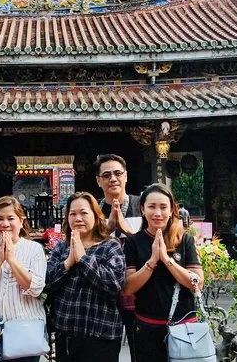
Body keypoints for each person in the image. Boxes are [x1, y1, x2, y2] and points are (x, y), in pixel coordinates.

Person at [122, 183, 204, 362]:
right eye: (151, 207)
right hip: (147, 326)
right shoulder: (133, 243)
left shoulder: (184, 240)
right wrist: (152, 261)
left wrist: (167, 260)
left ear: (171, 210)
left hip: (184, 326)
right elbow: (128, 288)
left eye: (163, 207)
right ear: (142, 209)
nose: (157, 213)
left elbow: (197, 283)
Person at [45, 192, 125, 362]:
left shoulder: (110, 246)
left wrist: (83, 259)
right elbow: (47, 283)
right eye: (72, 214)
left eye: (84, 213)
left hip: (102, 335)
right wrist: (68, 262)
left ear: (96, 217)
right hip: (66, 334)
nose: (78, 218)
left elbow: (115, 284)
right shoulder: (62, 247)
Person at [0, 196, 47, 362]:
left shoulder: (34, 249)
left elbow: (36, 288)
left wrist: (11, 259)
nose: (5, 224)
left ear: (21, 221)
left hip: (25, 331)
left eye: (11, 218)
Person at [94, 153, 141, 362]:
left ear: (126, 176)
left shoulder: (142, 204)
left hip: (137, 289)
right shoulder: (93, 210)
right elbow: (86, 247)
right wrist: (109, 229)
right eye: (106, 175)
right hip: (104, 291)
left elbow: (152, 242)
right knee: (105, 353)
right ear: (98, 180)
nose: (112, 178)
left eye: (117, 173)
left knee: (140, 350)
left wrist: (127, 231)